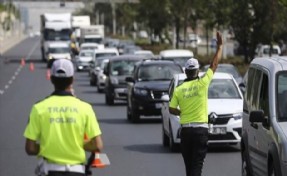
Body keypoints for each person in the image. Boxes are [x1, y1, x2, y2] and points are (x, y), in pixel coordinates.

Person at [23, 59, 103, 176]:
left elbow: (30, 148)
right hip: (77, 171)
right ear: (72, 80)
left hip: (49, 171)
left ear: (51, 79)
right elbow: (98, 146)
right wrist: (76, 144)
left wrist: (49, 146)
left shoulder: (38, 108)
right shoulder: (85, 108)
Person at [169, 31, 223, 176]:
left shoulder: (179, 89)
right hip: (200, 132)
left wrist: (182, 113)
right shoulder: (203, 83)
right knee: (196, 166)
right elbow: (214, 64)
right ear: (198, 71)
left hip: (186, 132)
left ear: (186, 72)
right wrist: (219, 47)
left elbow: (171, 108)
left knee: (189, 167)